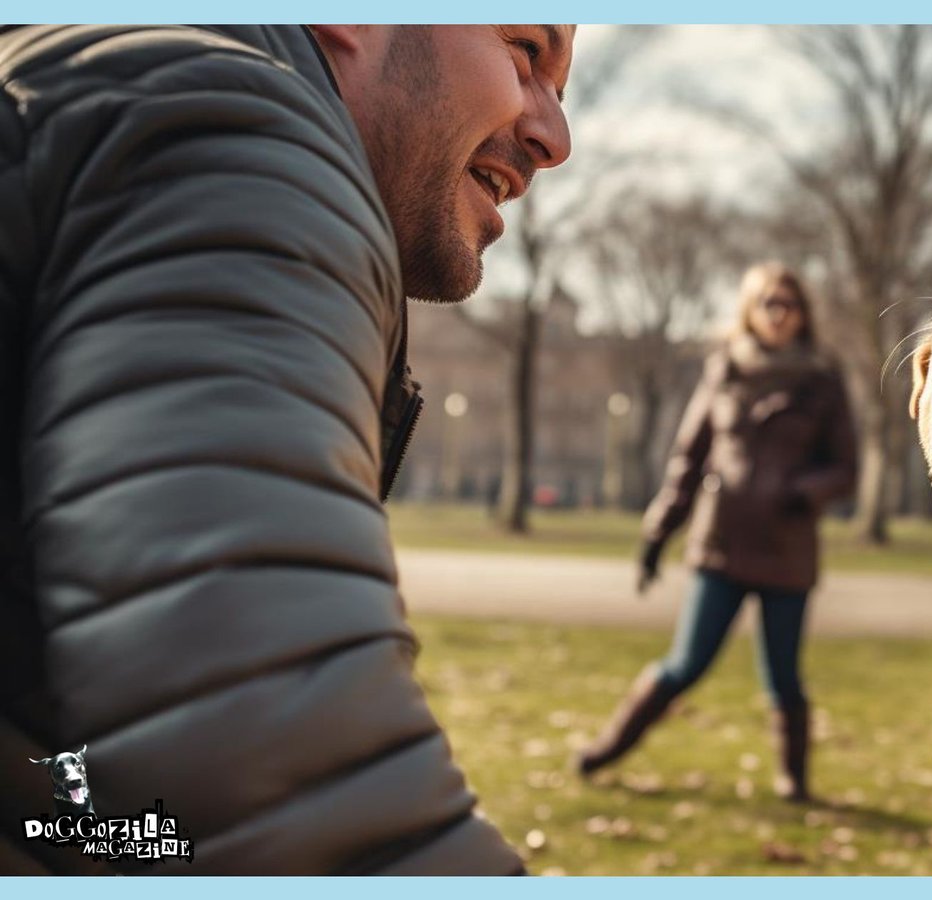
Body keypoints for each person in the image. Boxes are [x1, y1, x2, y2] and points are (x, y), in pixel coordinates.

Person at [0, 25, 572, 873]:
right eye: (526, 52)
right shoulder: (230, 133)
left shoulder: (116, 84)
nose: (554, 137)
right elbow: (275, 764)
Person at [574, 263, 858, 803]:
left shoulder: (823, 379)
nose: (778, 313)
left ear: (803, 315)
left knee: (783, 677)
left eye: (789, 304)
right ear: (749, 310)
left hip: (787, 551)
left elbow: (846, 469)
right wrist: (657, 535)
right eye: (767, 302)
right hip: (720, 546)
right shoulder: (723, 369)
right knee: (685, 665)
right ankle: (607, 748)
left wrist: (803, 492)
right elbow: (688, 459)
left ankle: (793, 781)